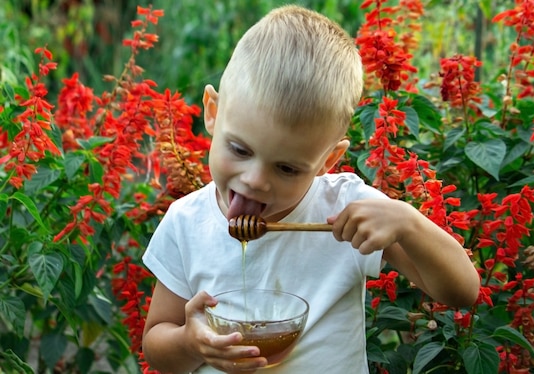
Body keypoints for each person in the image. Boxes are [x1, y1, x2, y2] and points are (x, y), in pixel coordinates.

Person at [141, 5, 479, 373]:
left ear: (326, 161)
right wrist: (191, 343)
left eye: (286, 168)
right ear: (212, 112)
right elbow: (157, 345)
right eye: (240, 149)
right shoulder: (186, 223)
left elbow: (462, 292)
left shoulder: (346, 211)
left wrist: (408, 223)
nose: (255, 179)